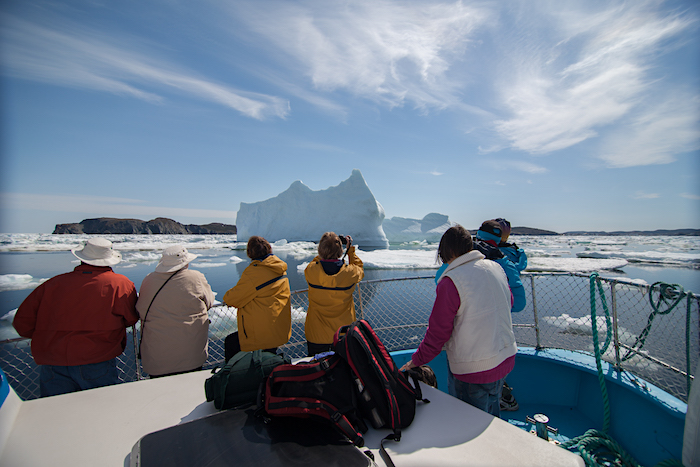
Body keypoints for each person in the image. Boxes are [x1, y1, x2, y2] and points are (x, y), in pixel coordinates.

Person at [400, 225, 516, 417]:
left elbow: (438, 333)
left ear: (446, 251)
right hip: (505, 358)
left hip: (474, 368)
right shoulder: (496, 268)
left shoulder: (451, 281)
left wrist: (416, 361)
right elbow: (509, 301)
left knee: (469, 421)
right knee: (492, 417)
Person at [12, 237, 139, 397]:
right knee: (101, 410)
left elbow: (22, 322)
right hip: (97, 359)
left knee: (57, 413)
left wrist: (51, 336)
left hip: (53, 361)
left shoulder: (53, 284)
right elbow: (131, 317)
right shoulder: (120, 284)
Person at [136, 245, 214, 378]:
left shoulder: (149, 279)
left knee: (161, 394)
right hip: (191, 353)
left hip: (157, 357)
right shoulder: (196, 277)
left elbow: (141, 309)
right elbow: (209, 301)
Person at [222, 236, 291, 362]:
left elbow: (233, 298)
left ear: (250, 253)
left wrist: (226, 298)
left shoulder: (254, 272)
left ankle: (234, 375)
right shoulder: (279, 268)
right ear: (269, 249)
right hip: (278, 329)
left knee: (231, 344)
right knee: (268, 358)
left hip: (260, 333)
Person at [304, 232, 364, 357]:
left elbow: (316, 262)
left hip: (316, 335)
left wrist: (324, 252)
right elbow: (359, 268)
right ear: (340, 251)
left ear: (320, 250)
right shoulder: (350, 273)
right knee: (344, 371)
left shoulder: (311, 271)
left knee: (318, 372)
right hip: (342, 334)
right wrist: (350, 250)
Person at [494, 217, 528, 412]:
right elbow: (519, 266)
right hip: (505, 308)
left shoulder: (495, 254)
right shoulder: (514, 254)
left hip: (490, 307)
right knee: (502, 346)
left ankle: (501, 394)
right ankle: (502, 393)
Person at [473, 220, 526, 313]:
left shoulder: (465, 260)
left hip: (469, 320)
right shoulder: (508, 265)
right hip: (500, 321)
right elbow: (518, 304)